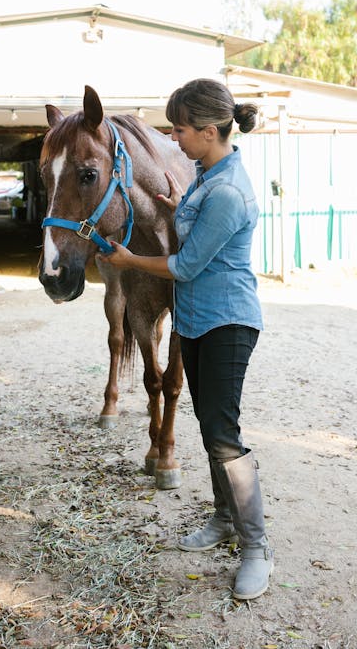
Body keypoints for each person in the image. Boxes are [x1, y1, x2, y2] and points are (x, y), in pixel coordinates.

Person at [99, 77, 274, 600]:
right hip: (195, 322)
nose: (173, 140)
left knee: (224, 434)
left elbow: (187, 263)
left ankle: (256, 547)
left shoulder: (226, 190)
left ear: (209, 130)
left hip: (226, 322)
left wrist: (130, 261)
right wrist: (178, 210)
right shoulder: (205, 173)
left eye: (179, 130)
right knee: (207, 426)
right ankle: (223, 519)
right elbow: (195, 232)